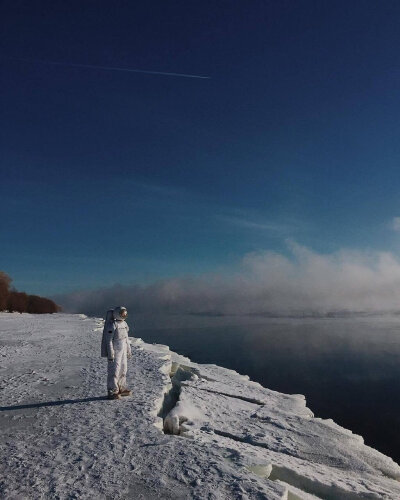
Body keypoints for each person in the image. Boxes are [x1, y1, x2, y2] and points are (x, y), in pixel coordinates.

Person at [101, 306, 132, 400]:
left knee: (123, 369)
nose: (124, 315)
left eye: (125, 313)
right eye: (122, 313)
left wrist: (128, 350)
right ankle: (112, 390)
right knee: (114, 370)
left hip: (123, 349)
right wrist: (111, 353)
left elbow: (126, 339)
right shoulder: (112, 325)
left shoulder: (124, 324)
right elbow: (108, 340)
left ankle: (121, 387)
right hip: (115, 350)